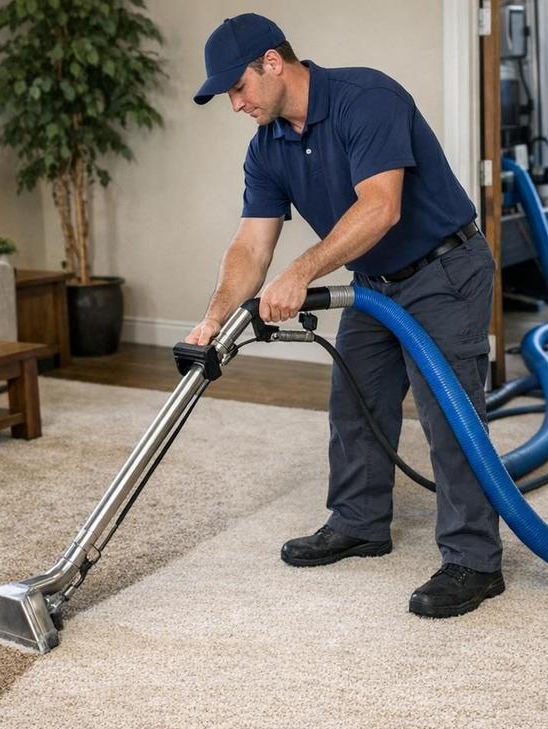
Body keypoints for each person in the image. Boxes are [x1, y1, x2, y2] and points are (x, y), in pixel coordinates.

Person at [188, 13, 503, 617]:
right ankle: (360, 523)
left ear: (272, 63)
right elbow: (251, 245)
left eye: (238, 87)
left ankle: (474, 561)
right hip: (373, 283)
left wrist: (300, 273)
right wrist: (214, 319)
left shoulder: (368, 98)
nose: (234, 104)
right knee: (355, 399)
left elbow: (380, 208)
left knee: (449, 415)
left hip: (443, 271)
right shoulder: (268, 148)